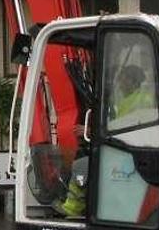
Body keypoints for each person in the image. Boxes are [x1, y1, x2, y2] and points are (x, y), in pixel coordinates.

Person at [55, 64, 154, 218]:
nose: (119, 83)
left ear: (132, 81)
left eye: (123, 79)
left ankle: (72, 209)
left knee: (81, 166)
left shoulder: (140, 101)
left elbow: (124, 130)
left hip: (128, 155)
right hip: (128, 151)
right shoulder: (131, 100)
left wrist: (90, 132)